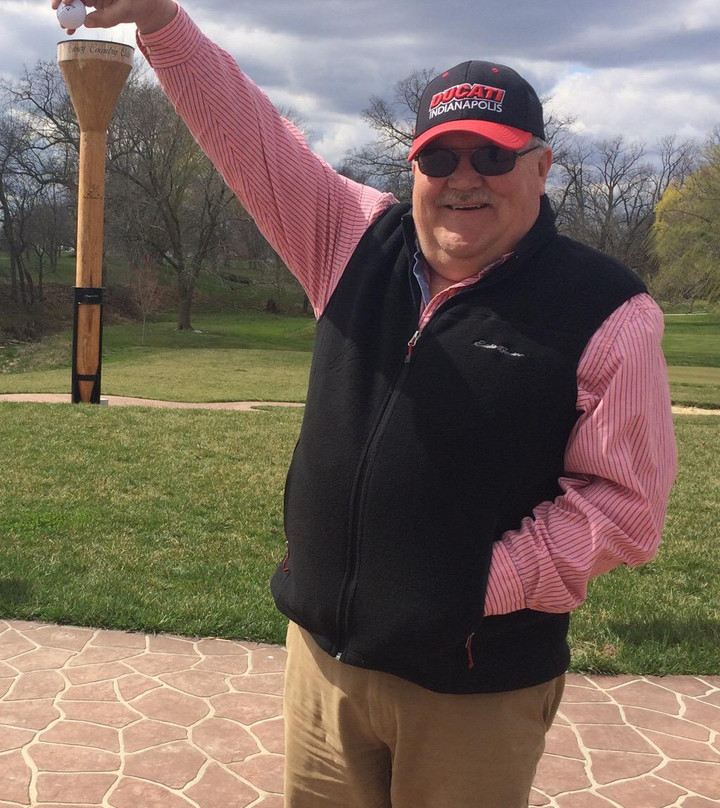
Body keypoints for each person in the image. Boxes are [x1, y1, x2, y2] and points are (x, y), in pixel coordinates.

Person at [52, 2, 679, 806]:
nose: (463, 177)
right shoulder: (352, 241)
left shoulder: (607, 310)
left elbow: (626, 509)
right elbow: (251, 140)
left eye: (491, 155)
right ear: (415, 167)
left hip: (474, 686)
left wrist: (469, 586)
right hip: (324, 667)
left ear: (541, 166)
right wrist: (162, 21)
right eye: (440, 155)